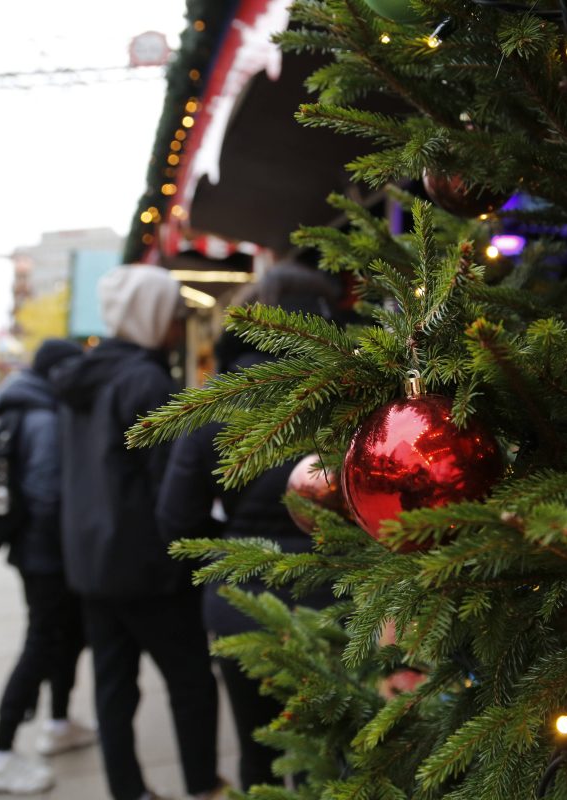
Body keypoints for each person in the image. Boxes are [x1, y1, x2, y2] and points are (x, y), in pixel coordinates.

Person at [156, 263, 340, 790]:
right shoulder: (353, 396)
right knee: (334, 756)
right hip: (339, 601)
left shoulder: (217, 401)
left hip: (242, 605)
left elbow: (176, 521)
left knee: (259, 754)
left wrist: (232, 549)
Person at [50, 265, 224, 800]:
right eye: (172, 315)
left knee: (113, 688)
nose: (177, 326)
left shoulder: (84, 380)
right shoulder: (145, 382)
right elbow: (171, 487)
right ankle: (203, 786)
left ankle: (128, 791)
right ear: (151, 317)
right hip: (149, 567)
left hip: (92, 563)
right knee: (191, 681)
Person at [0, 338, 95, 794]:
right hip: (47, 555)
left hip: (37, 551)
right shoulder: (43, 417)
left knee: (66, 636)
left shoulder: (26, 407)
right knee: (43, 642)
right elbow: (47, 493)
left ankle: (59, 724)